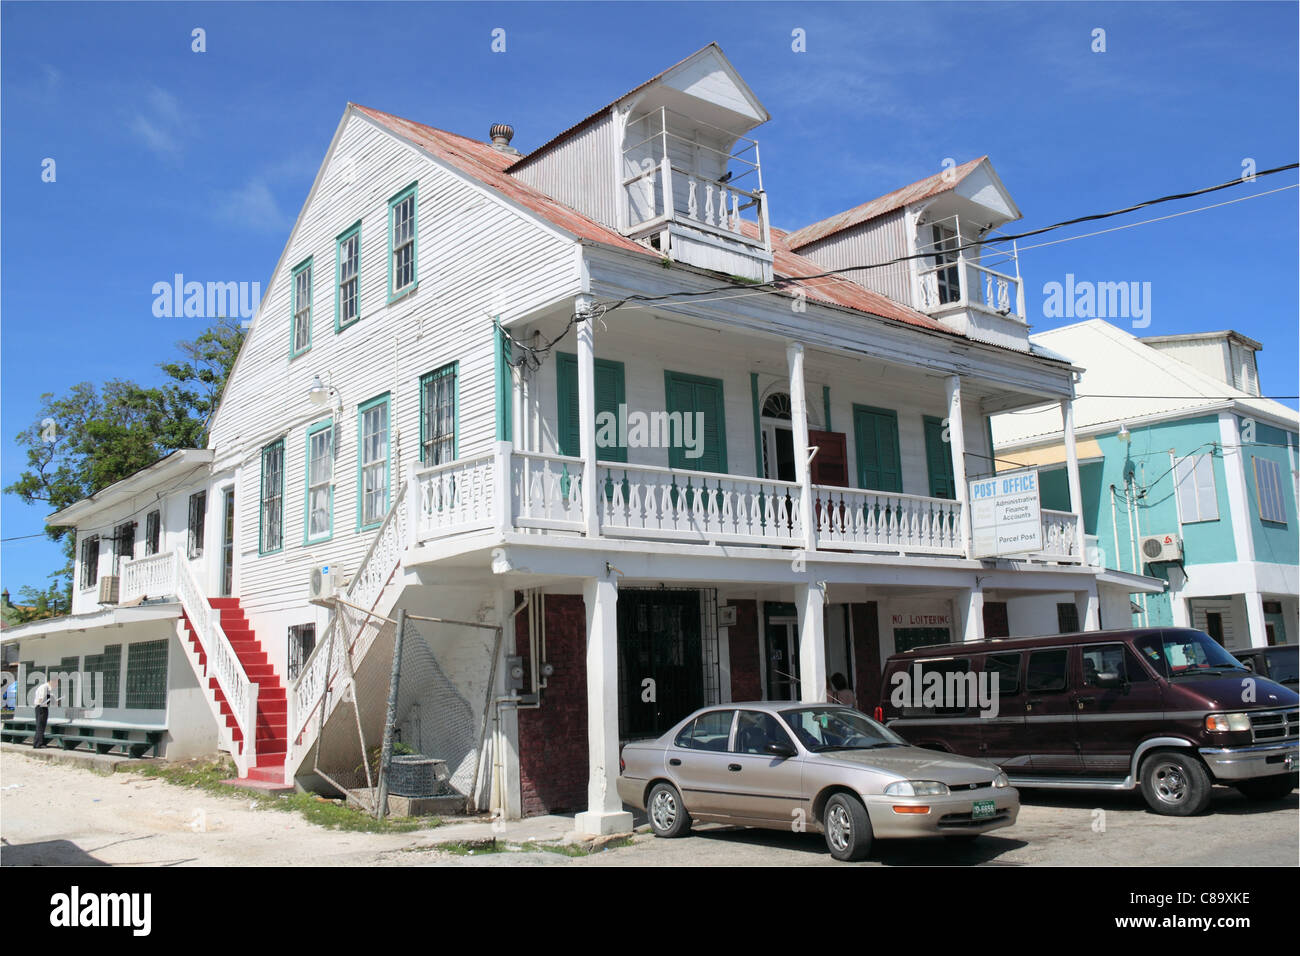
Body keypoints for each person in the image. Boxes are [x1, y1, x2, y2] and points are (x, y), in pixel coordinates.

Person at [32, 676, 54, 749]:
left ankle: (38, 742)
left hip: (42, 707)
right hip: (41, 708)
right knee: (40, 725)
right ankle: (38, 743)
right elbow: (41, 699)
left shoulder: (46, 688)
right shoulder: (45, 687)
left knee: (41, 725)